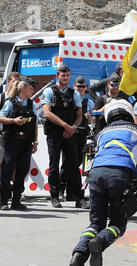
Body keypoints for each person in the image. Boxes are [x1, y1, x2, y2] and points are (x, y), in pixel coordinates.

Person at [69, 98, 137, 266]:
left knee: (96, 222)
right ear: (128, 113)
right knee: (118, 224)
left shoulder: (102, 133)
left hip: (95, 176)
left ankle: (79, 256)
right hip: (119, 176)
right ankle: (101, 242)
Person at [41, 64, 88, 209]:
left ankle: (79, 198)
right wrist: (65, 126)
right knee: (54, 164)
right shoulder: (50, 91)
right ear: (57, 75)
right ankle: (54, 196)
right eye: (63, 75)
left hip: (70, 133)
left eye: (67, 75)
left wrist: (73, 127)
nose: (65, 78)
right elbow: (47, 113)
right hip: (54, 133)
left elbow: (79, 114)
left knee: (73, 164)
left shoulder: (73, 93)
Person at [0, 77, 38, 210]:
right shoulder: (11, 102)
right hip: (12, 141)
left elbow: (35, 125)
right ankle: (4, 201)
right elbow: (0, 118)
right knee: (7, 169)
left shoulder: (32, 104)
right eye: (31, 88)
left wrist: (35, 142)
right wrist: (13, 120)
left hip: (26, 142)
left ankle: (16, 201)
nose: (33, 91)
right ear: (23, 88)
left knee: (22, 171)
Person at [58, 76, 94, 206]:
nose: (81, 88)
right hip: (71, 132)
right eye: (78, 86)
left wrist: (89, 118)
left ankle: (71, 192)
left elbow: (92, 121)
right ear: (74, 86)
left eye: (83, 86)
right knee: (68, 162)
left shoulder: (89, 103)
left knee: (76, 162)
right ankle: (62, 189)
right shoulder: (71, 98)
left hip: (82, 133)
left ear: (86, 88)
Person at [0, 71, 20, 202]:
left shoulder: (20, 98)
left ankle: (16, 190)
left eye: (18, 81)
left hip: (16, 136)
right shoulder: (0, 97)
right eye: (14, 81)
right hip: (2, 135)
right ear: (8, 82)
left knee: (15, 165)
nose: (16, 83)